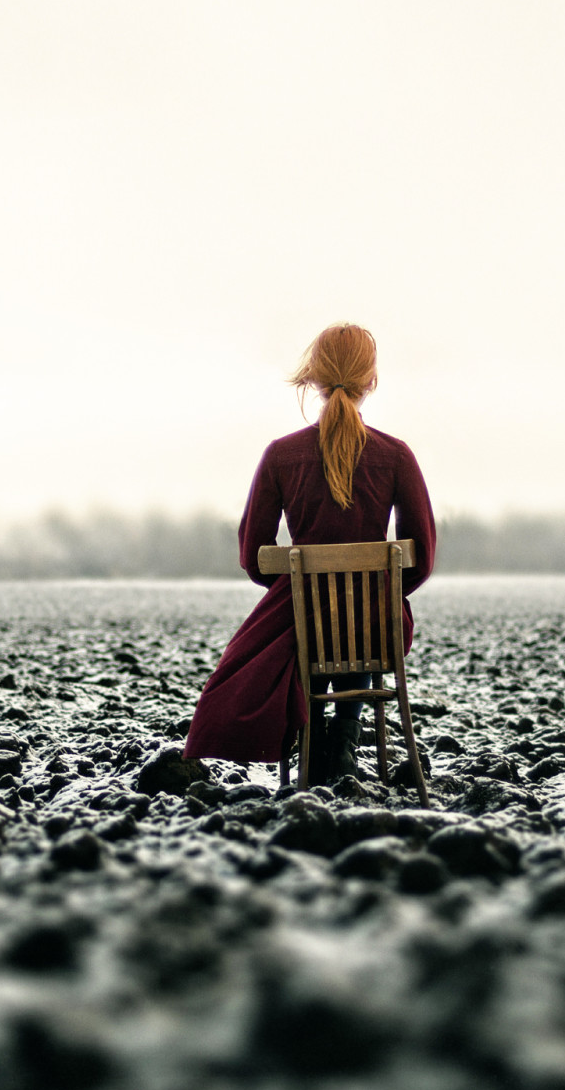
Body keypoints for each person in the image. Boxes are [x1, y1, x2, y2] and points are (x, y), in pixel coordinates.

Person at [184, 324, 435, 785]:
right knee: (358, 620)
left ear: (315, 380)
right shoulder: (396, 456)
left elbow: (253, 554)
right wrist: (381, 589)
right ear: (371, 381)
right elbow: (423, 554)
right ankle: (343, 741)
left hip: (304, 626)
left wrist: (301, 591)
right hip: (378, 628)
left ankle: (314, 744)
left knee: (304, 625)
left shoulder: (281, 456)